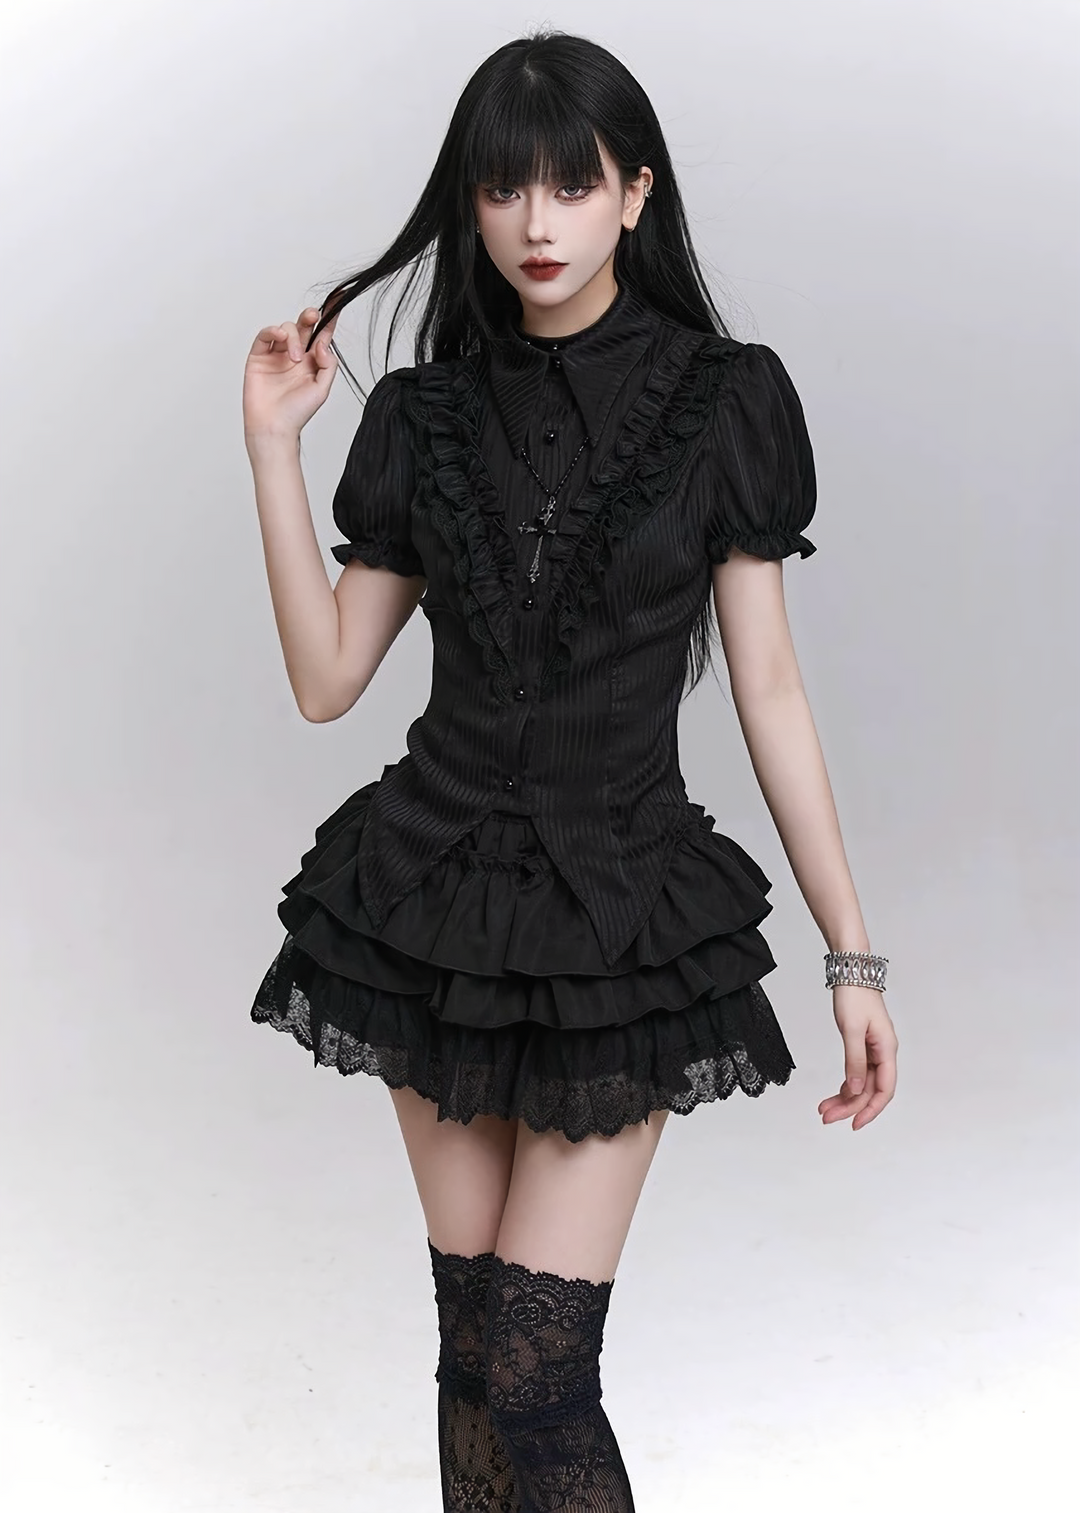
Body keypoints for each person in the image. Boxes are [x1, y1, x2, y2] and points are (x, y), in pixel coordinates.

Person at [241, 28, 898, 1513]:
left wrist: (851, 955)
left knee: (542, 1385)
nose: (537, 222)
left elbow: (771, 692)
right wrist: (274, 449)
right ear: (470, 205)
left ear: (635, 194)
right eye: (503, 189)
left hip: (618, 915)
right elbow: (327, 680)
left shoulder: (722, 401)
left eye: (572, 184)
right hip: (431, 903)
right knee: (475, 1361)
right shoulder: (423, 417)